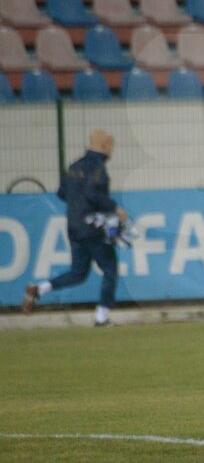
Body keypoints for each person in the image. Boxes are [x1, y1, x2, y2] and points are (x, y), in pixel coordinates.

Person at [24, 130, 127, 327]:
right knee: (110, 269)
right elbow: (92, 194)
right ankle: (101, 317)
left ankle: (39, 290)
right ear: (105, 146)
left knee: (78, 273)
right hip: (93, 228)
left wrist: (78, 204)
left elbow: (62, 193)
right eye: (111, 146)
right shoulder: (98, 168)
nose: (112, 150)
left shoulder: (73, 166)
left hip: (74, 227)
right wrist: (115, 208)